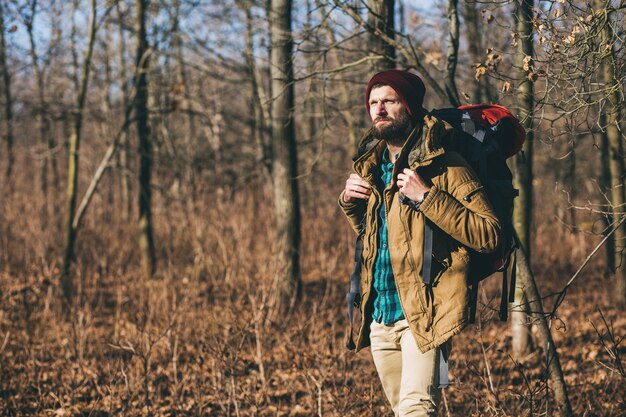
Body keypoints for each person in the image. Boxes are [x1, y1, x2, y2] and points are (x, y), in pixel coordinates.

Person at [339, 69, 502, 417]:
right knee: (404, 411)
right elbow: (379, 241)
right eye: (373, 102)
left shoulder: (447, 167)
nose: (379, 109)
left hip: (426, 316)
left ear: (410, 107)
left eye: (389, 101)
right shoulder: (372, 170)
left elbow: (490, 235)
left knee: (416, 411)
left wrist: (427, 197)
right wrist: (352, 204)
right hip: (380, 320)